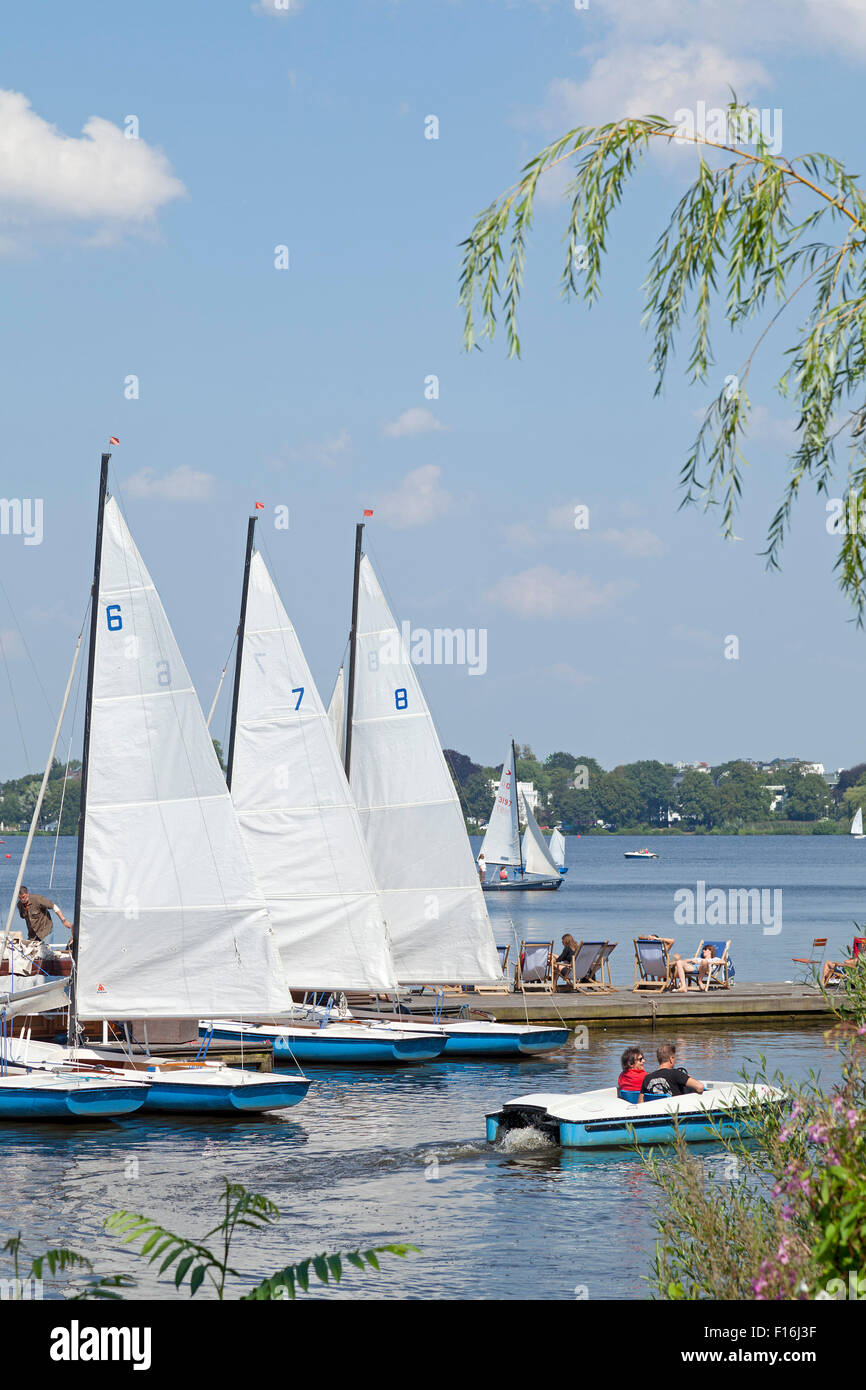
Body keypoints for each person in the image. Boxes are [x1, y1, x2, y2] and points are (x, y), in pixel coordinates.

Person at [16, 885, 73, 956]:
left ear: (27, 893)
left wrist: (64, 920)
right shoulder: (19, 905)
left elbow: (54, 907)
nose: (22, 900)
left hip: (45, 932)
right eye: (20, 898)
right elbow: (23, 916)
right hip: (32, 935)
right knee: (29, 954)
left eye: (23, 897)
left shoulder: (37, 899)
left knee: (46, 954)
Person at [640, 1041, 705, 1098]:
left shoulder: (647, 1078)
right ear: (671, 1059)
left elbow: (640, 1102)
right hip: (674, 1110)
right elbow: (700, 1087)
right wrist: (687, 1078)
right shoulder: (676, 1074)